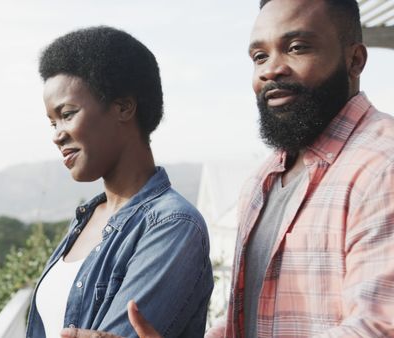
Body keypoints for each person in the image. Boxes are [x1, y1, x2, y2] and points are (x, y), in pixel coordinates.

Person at [61, 0, 394, 337]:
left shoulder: (382, 166)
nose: (271, 70)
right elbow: (244, 323)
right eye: (259, 57)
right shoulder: (261, 182)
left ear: (355, 60)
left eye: (296, 48)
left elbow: (378, 327)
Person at [26, 26, 214, 338]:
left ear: (123, 107)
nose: (57, 134)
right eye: (52, 122)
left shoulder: (172, 225)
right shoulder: (86, 219)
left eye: (68, 114)